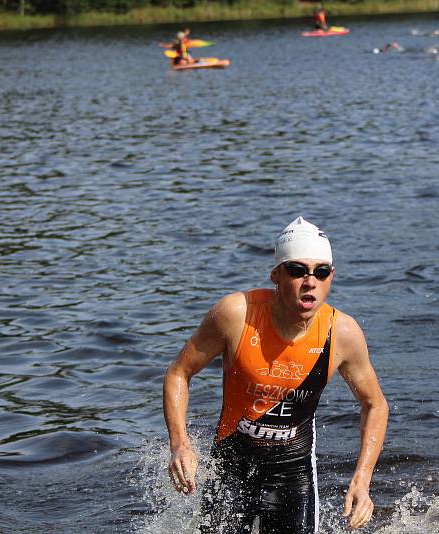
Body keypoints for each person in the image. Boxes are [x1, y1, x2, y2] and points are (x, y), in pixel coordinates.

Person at [163, 216, 389, 533]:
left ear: (331, 278)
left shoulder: (342, 334)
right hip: (230, 469)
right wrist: (180, 445)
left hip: (293, 476)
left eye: (321, 272)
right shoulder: (236, 314)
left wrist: (362, 480)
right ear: (276, 275)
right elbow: (178, 373)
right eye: (297, 270)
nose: (310, 281)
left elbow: (375, 404)